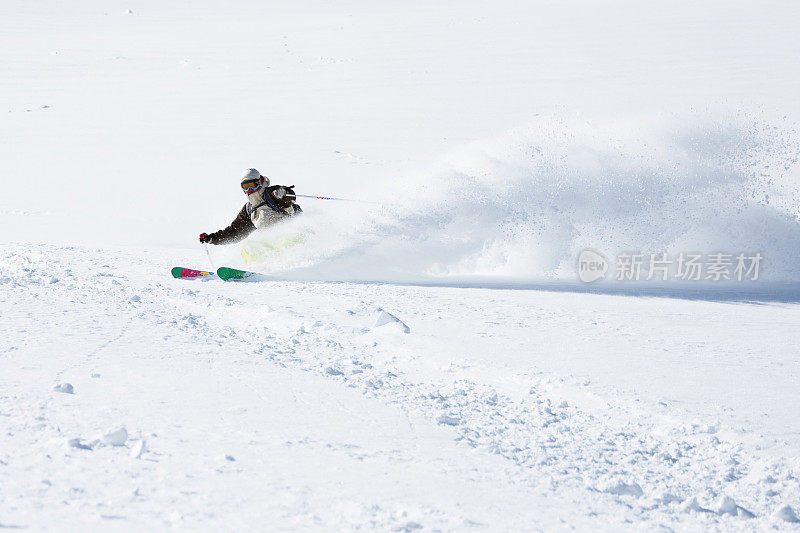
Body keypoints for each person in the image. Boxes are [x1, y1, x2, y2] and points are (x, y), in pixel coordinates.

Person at [199, 169, 302, 245]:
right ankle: (257, 269)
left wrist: (284, 193)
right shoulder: (249, 210)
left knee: (272, 243)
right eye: (246, 186)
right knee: (250, 246)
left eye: (253, 184)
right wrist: (212, 238)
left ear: (260, 182)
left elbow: (290, 198)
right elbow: (234, 232)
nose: (250, 189)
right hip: (275, 243)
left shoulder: (270, 194)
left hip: (293, 236)